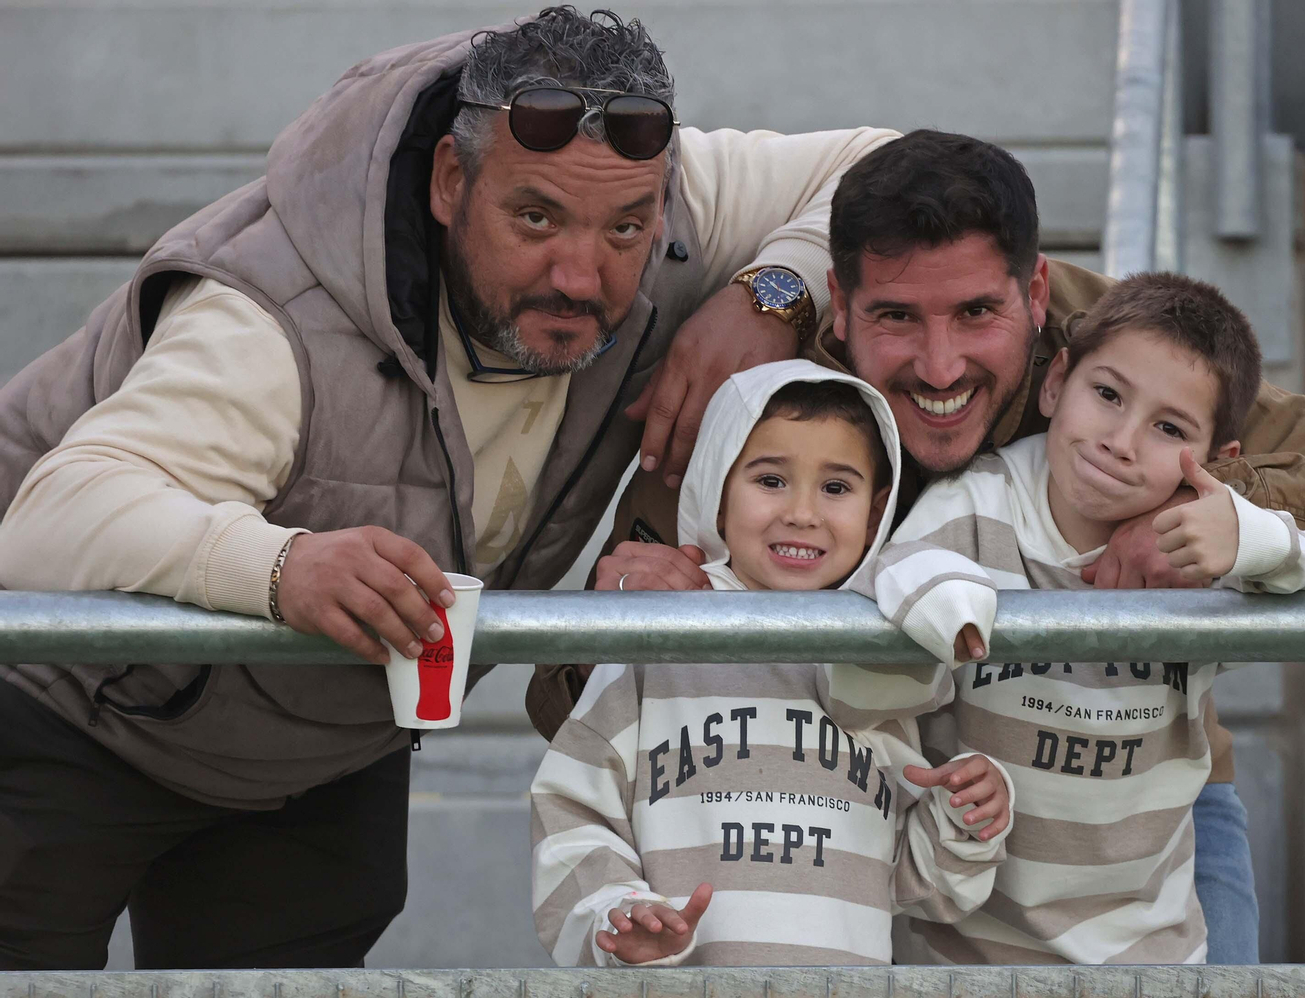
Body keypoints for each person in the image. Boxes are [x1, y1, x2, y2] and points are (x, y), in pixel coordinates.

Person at [0, 9, 899, 970]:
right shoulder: (268, 319)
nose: (580, 273)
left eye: (626, 229)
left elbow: (893, 163)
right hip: (58, 717)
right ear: (448, 180)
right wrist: (281, 565)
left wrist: (772, 292)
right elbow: (48, 518)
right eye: (535, 218)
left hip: (323, 752)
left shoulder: (667, 197)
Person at [553, 130, 1305, 963]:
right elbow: (574, 700)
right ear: (842, 307)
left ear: (1040, 300)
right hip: (892, 839)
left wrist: (1196, 510)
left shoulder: (1126, 357)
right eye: (899, 318)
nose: (941, 366)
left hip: (1142, 852)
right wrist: (641, 609)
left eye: (978, 314)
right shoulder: (774, 408)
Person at [832, 271, 1305, 964]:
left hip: (1155, 954)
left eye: (1169, 427)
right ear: (1057, 386)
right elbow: (895, 592)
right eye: (1107, 395)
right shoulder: (975, 509)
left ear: (1217, 463)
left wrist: (1242, 532)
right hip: (972, 958)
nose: (1122, 440)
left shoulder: (1204, 544)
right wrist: (947, 607)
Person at [530, 360, 1012, 966]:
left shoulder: (886, 656)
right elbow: (570, 809)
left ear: (873, 513)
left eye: (836, 488)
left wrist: (963, 820)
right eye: (770, 480)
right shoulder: (659, 637)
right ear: (715, 492)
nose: (802, 513)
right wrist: (618, 917)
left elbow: (916, 887)